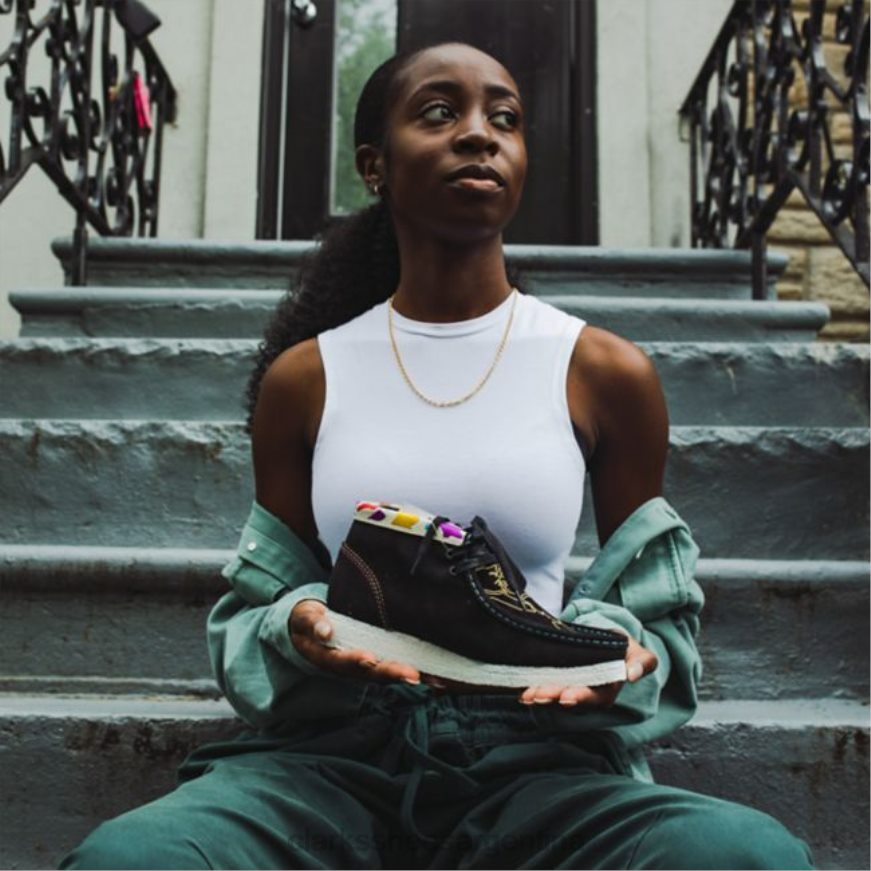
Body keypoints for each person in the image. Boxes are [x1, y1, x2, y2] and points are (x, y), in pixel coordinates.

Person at [62, 42, 814, 870]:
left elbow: (660, 622)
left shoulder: (603, 372)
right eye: (438, 112)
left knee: (743, 853)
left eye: (505, 118)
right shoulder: (306, 378)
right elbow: (255, 607)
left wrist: (609, 654)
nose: (479, 134)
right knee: (133, 857)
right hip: (332, 751)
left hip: (537, 757)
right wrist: (297, 624)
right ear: (373, 166)